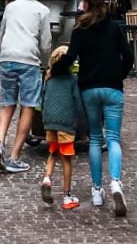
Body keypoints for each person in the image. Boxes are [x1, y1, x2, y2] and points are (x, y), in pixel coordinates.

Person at [53, 0, 134, 215]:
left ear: (86, 5)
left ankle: (97, 191)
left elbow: (69, 57)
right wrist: (120, 74)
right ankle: (116, 182)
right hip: (112, 88)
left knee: (96, 139)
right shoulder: (115, 28)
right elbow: (128, 56)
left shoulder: (80, 30)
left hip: (88, 89)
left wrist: (54, 69)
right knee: (114, 139)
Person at [0, 0, 52, 174]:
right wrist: (46, 63)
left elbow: (2, 32)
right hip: (28, 59)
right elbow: (45, 43)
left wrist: (2, 52)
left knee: (7, 103)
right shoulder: (43, 10)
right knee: (28, 106)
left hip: (8, 57)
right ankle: (15, 156)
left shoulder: (10, 7)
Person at [40, 44, 84, 210]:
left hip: (50, 122)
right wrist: (81, 125)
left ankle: (47, 178)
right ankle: (67, 196)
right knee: (66, 159)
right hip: (65, 123)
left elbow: (43, 100)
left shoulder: (49, 79)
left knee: (53, 152)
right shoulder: (72, 80)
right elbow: (77, 103)